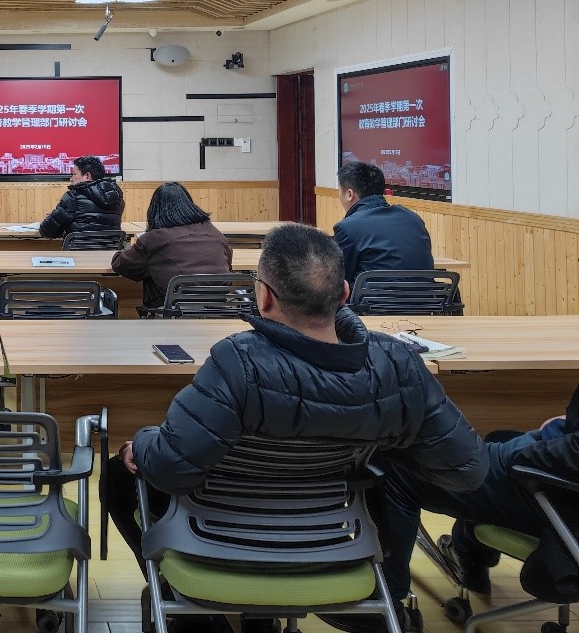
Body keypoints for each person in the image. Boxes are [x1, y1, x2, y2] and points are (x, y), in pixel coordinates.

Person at [104, 224, 487, 632]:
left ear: (264, 296)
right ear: (344, 294)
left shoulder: (236, 362)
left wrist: (141, 443)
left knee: (116, 477)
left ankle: (184, 608)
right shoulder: (396, 364)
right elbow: (468, 469)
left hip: (217, 535)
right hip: (334, 537)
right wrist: (389, 446)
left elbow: (171, 468)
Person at [379, 384, 579, 611]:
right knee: (497, 438)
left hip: (564, 497)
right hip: (567, 474)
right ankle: (469, 556)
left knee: (398, 470)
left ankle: (387, 607)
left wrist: (508, 456)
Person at [110, 182, 232, 309]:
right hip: (219, 306)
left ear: (155, 210)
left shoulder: (153, 238)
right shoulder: (215, 233)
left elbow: (120, 265)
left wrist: (126, 249)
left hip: (175, 309)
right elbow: (228, 264)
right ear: (189, 205)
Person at [333, 161, 434, 288]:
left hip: (371, 300)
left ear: (349, 194)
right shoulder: (413, 219)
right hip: (426, 299)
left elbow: (338, 279)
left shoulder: (348, 228)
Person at [38, 155, 124, 238]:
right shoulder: (117, 198)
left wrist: (52, 219)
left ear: (87, 176)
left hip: (78, 247)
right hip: (111, 248)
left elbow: (47, 231)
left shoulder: (72, 197)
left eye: (74, 174)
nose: (71, 179)